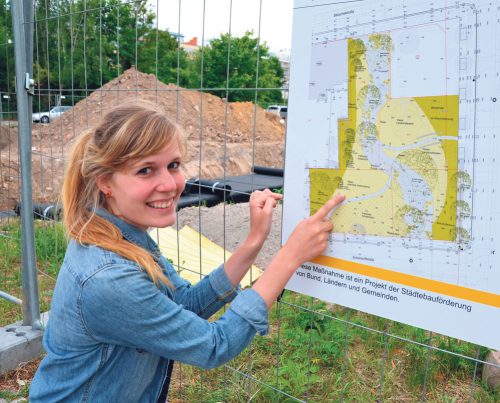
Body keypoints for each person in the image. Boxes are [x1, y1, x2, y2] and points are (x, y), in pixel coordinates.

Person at [29, 101, 345, 402]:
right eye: (145, 171)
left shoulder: (121, 237)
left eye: (173, 165)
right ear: (105, 183)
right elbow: (213, 346)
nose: (169, 184)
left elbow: (186, 303)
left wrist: (254, 241)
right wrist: (289, 257)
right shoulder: (110, 278)